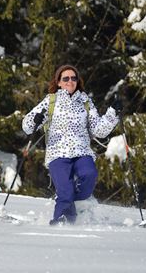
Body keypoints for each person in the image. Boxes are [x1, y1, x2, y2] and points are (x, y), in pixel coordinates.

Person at [22, 64, 121, 225]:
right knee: (65, 190)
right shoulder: (51, 101)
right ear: (59, 82)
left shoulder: (85, 102)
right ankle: (62, 220)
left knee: (89, 174)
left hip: (82, 152)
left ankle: (74, 204)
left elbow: (99, 130)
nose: (70, 81)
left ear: (77, 81)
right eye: (65, 78)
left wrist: (113, 113)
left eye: (73, 78)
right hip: (58, 153)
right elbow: (26, 127)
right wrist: (35, 120)